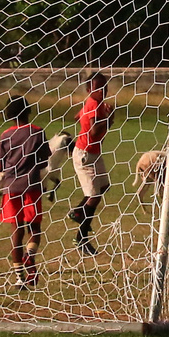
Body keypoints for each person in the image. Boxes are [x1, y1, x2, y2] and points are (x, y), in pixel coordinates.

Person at [0, 94, 51, 289]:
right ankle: (30, 255)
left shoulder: (5, 135)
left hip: (11, 187)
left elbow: (0, 164)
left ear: (8, 115)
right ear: (29, 111)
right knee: (34, 228)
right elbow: (44, 160)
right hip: (31, 186)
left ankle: (19, 278)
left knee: (16, 231)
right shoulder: (37, 132)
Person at [69, 72, 114, 255]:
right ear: (89, 90)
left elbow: (76, 116)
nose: (103, 90)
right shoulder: (94, 104)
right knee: (94, 195)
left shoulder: (97, 104)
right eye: (98, 88)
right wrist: (108, 118)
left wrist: (86, 116)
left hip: (94, 153)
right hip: (85, 155)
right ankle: (81, 237)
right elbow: (95, 132)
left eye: (105, 86)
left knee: (103, 187)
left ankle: (79, 211)